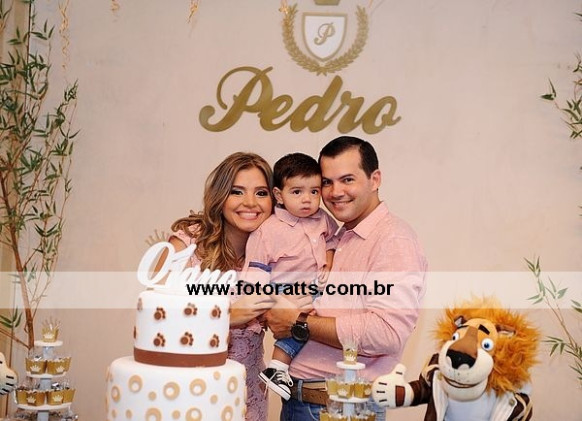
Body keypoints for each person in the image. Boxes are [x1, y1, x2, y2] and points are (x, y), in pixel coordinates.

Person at [266, 136, 428, 421]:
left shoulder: (393, 240)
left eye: (347, 180)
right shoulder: (338, 235)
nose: (335, 192)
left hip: (341, 409)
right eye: (327, 182)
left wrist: (298, 322)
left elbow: (387, 332)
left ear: (375, 179)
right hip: (306, 403)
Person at [158, 152, 276, 421]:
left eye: (261, 193)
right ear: (220, 196)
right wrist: (228, 316)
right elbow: (158, 321)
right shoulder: (187, 246)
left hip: (248, 396)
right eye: (237, 191)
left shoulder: (275, 254)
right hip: (190, 392)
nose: (250, 202)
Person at [239, 152, 338, 400]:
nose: (307, 199)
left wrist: (328, 261)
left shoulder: (323, 219)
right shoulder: (268, 231)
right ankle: (278, 366)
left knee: (325, 318)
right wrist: (272, 303)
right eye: (297, 192)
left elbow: (332, 242)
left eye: (314, 191)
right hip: (283, 291)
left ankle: (278, 368)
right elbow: (256, 275)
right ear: (279, 195)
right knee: (302, 321)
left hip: (314, 288)